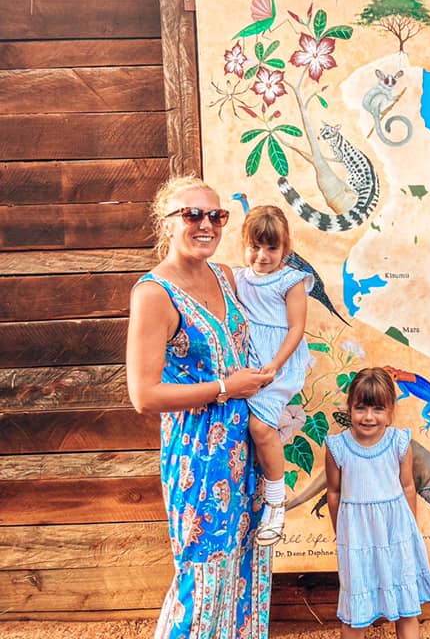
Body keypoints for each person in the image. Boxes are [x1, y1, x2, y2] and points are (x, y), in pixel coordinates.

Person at [126, 176, 276, 638]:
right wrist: (224, 388)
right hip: (198, 457)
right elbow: (143, 395)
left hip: (245, 449)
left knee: (247, 569)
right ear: (166, 223)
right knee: (202, 575)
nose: (205, 224)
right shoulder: (154, 294)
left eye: (216, 215)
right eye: (192, 215)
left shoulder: (225, 276)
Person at [325, 367, 430, 638]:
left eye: (378, 409)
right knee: (357, 607)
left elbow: (408, 487)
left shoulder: (399, 443)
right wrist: (341, 532)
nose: (368, 417)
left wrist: (409, 530)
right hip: (357, 538)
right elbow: (334, 492)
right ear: (350, 408)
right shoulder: (337, 447)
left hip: (396, 533)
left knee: (406, 606)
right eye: (361, 408)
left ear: (390, 411)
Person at [234, 204, 313, 546]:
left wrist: (276, 364)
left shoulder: (290, 281)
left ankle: (276, 502)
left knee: (260, 427)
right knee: (242, 425)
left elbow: (296, 328)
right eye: (255, 246)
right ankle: (251, 497)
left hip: (280, 361)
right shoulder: (237, 277)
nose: (262, 256)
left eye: (272, 248)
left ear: (285, 249)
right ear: (244, 244)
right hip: (252, 360)